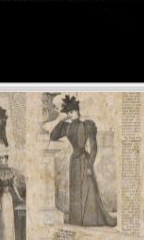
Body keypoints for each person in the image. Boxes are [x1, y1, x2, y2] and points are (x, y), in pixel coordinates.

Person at [45, 95, 115, 227]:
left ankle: (89, 219)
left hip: (84, 160)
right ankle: (77, 220)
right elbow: (53, 136)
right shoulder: (67, 126)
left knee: (87, 188)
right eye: (68, 113)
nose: (69, 115)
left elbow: (94, 147)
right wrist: (61, 120)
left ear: (77, 111)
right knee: (76, 189)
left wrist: (90, 165)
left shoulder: (87, 125)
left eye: (71, 112)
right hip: (74, 161)